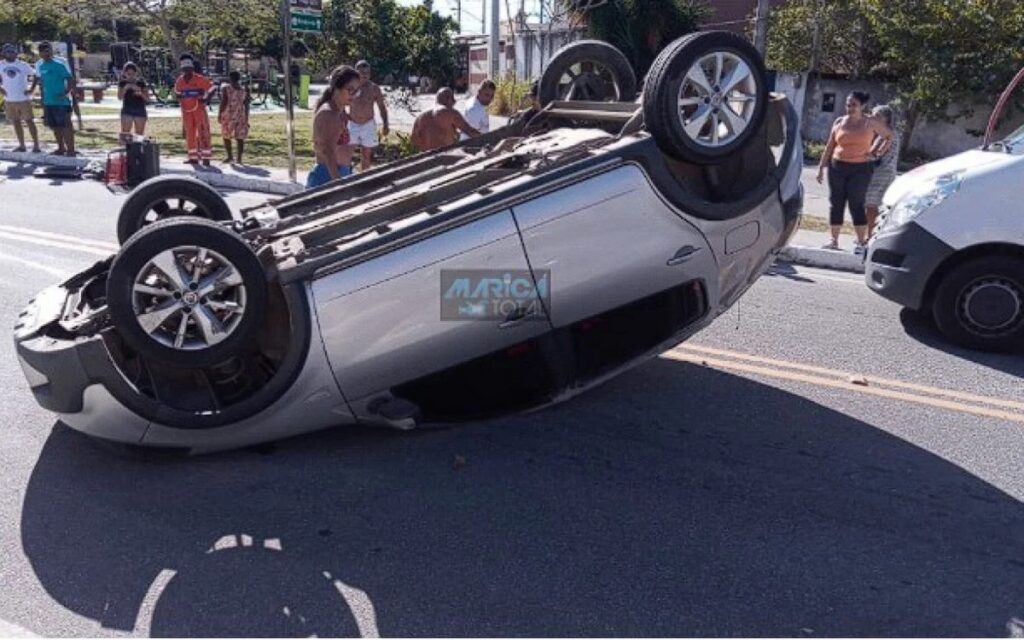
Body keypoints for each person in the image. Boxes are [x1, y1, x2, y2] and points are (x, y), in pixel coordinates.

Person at [816, 91, 893, 254]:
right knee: (836, 202)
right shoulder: (839, 121)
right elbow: (830, 146)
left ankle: (860, 241)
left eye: (854, 105)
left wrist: (876, 153)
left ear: (862, 106)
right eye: (848, 104)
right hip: (837, 166)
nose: (850, 108)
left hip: (861, 168)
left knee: (856, 204)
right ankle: (833, 240)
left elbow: (888, 136)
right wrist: (821, 167)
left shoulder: (870, 122)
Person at [307, 66, 361, 189]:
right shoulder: (329, 113)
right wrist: (338, 185)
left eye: (356, 91)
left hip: (341, 172)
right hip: (328, 176)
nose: (353, 95)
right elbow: (328, 152)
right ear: (337, 88)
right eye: (350, 90)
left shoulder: (340, 112)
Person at [30, 42, 75, 156]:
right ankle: (61, 148)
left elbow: (70, 79)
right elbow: (42, 83)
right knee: (54, 126)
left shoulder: (59, 64)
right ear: (40, 53)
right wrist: (42, 99)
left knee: (65, 125)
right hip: (48, 102)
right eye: (44, 51)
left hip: (61, 102)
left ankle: (71, 150)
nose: (47, 53)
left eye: (48, 50)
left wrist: (65, 93)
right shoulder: (41, 66)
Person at [865, 104, 900, 239]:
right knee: (873, 205)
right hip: (881, 173)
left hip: (882, 173)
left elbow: (876, 155)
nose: (874, 118)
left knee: (871, 205)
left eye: (878, 116)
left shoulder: (890, 135)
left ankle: (870, 236)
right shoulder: (881, 135)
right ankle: (871, 234)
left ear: (887, 119)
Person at [348, 60, 389, 172]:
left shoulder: (374, 88)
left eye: (367, 72)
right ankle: (345, 177)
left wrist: (386, 124)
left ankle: (364, 178)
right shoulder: (350, 87)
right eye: (361, 72)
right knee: (346, 153)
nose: (364, 75)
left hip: (368, 124)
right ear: (356, 72)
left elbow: (382, 107)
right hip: (352, 123)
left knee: (366, 154)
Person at [173, 56, 215, 165]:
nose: (187, 71)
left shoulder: (199, 78)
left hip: (199, 109)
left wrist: (206, 99)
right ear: (182, 69)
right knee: (190, 133)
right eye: (185, 69)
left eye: (189, 69)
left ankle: (206, 157)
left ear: (192, 68)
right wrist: (180, 97)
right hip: (186, 110)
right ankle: (193, 157)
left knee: (203, 131)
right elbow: (177, 94)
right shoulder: (180, 81)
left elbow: (212, 89)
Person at [411, 88, 481, 153]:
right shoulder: (449, 112)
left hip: (426, 158)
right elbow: (470, 131)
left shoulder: (420, 116)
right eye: (453, 101)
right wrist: (486, 139)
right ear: (449, 99)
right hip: (444, 156)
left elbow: (414, 140)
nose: (454, 104)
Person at [0, 43, 40, 153]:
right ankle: (22, 145)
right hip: (9, 99)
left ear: (15, 53)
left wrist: (31, 89)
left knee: (29, 121)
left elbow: (36, 75)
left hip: (23, 98)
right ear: (4, 53)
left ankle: (36, 145)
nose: (10, 54)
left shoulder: (23, 65)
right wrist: (1, 89)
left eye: (12, 51)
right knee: (16, 122)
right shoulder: (1, 65)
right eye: (7, 52)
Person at [218, 70, 250, 164]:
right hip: (241, 115)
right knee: (240, 138)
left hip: (228, 115)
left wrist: (220, 114)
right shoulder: (244, 90)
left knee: (226, 136)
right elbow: (247, 105)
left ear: (230, 78)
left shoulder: (226, 88)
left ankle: (230, 156)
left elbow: (224, 102)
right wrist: (246, 119)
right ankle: (239, 158)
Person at [117, 62, 151, 139]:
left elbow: (148, 99)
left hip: (140, 110)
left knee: (139, 136)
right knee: (125, 134)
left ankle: (137, 150)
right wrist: (125, 88)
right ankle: (125, 150)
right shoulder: (122, 83)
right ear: (125, 74)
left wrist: (141, 93)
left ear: (136, 73)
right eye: (128, 74)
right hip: (127, 110)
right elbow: (119, 97)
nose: (131, 76)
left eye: (133, 74)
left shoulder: (141, 83)